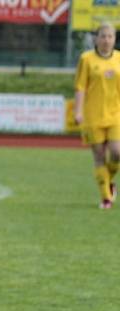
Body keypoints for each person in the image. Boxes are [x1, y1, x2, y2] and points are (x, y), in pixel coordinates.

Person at [74, 22, 120, 210]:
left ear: (115, 39)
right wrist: (78, 111)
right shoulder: (86, 59)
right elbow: (80, 87)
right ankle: (106, 198)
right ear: (96, 38)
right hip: (93, 116)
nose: (106, 40)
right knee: (99, 156)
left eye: (110, 36)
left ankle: (108, 180)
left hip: (115, 114)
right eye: (103, 36)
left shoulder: (119, 59)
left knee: (117, 153)